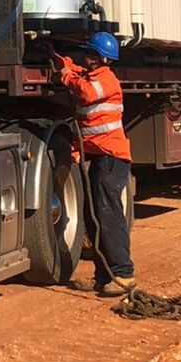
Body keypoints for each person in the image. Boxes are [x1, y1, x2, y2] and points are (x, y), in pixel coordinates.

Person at [50, 30, 135, 298]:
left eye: (91, 54)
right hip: (99, 155)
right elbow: (78, 73)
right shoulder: (91, 75)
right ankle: (103, 277)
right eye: (86, 53)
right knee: (94, 216)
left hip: (111, 157)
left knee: (108, 215)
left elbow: (85, 93)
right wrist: (62, 61)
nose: (85, 57)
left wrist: (65, 75)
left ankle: (123, 275)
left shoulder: (106, 80)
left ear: (103, 59)